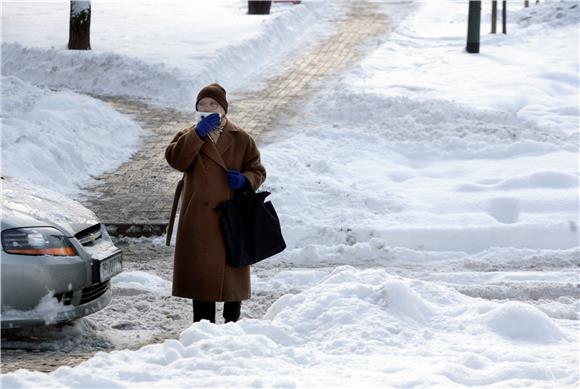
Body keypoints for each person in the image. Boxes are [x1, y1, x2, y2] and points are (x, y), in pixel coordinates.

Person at [165, 83, 266, 323]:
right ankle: (202, 328)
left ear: (223, 109)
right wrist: (197, 134)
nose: (207, 108)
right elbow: (176, 160)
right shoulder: (187, 134)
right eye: (202, 104)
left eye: (213, 104)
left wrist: (244, 180)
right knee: (202, 281)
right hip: (199, 217)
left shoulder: (241, 138)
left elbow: (258, 170)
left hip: (231, 215)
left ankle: (232, 326)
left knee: (232, 279)